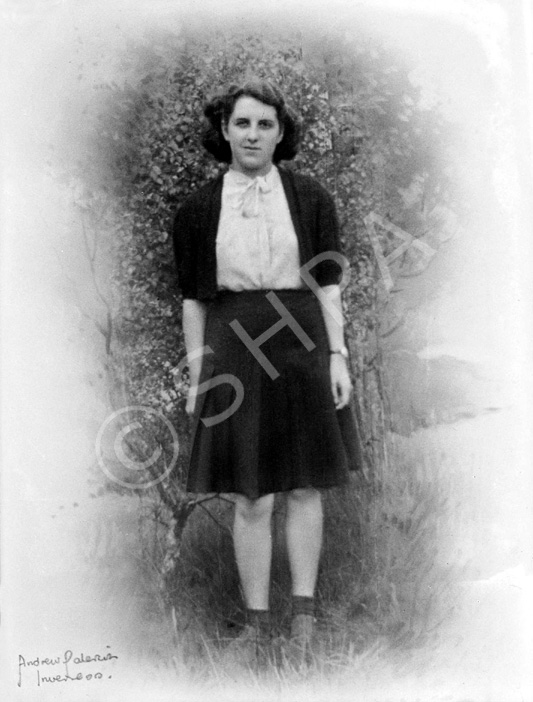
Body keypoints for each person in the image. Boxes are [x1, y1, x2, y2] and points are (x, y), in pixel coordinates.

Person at [172, 79, 361, 664]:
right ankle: (256, 622)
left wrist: (338, 355)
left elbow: (327, 282)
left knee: (304, 483)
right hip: (234, 344)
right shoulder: (199, 208)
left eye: (265, 125)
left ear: (281, 134)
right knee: (251, 495)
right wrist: (200, 370)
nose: (253, 135)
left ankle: (302, 616)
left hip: (303, 338)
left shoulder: (310, 197)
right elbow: (193, 300)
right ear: (223, 131)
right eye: (242, 124)